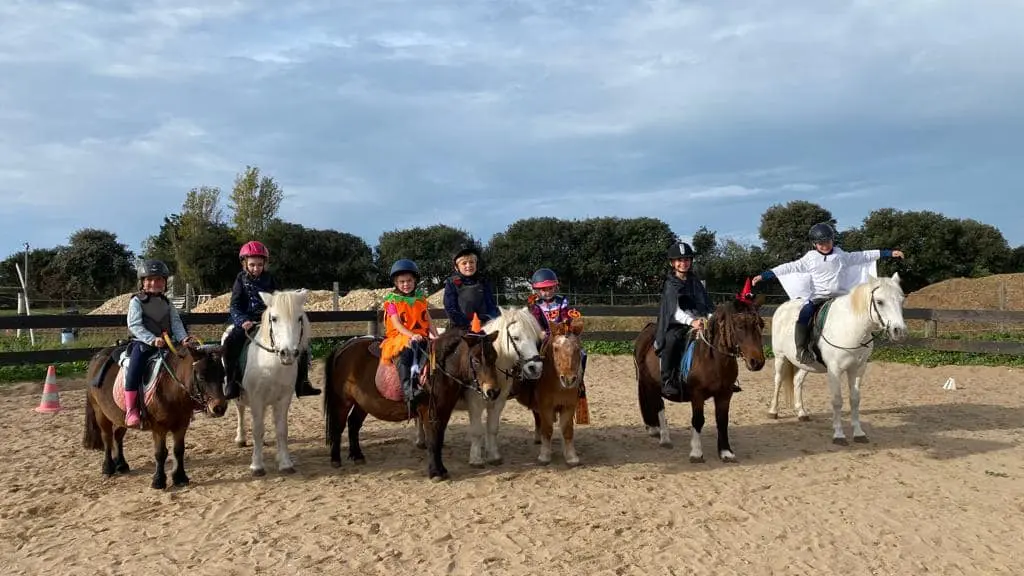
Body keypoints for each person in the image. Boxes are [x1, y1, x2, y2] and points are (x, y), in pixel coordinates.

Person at [752, 222, 905, 365]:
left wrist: (889, 253)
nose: (825, 246)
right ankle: (802, 350)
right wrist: (764, 275)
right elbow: (788, 267)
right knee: (804, 315)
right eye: (821, 243)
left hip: (841, 297)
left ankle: (860, 349)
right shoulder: (810, 259)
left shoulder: (841, 256)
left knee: (862, 313)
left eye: (828, 242)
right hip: (819, 298)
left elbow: (864, 255)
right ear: (815, 244)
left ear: (832, 240)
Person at [221, 240, 321, 400]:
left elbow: (279, 299)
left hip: (270, 320)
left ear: (265, 264)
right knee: (231, 343)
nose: (256, 268)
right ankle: (232, 382)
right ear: (245, 263)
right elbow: (235, 305)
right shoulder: (240, 279)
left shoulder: (270, 278)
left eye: (260, 265)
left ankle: (302, 382)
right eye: (252, 265)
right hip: (247, 321)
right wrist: (242, 320)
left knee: (300, 345)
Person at [124, 259, 196, 428]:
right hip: (143, 343)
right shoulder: (136, 301)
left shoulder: (167, 303)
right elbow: (134, 325)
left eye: (158, 280)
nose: (154, 283)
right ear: (142, 282)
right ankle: (131, 409)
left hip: (168, 343)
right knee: (135, 367)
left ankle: (190, 402)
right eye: (149, 279)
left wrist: (183, 338)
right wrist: (151, 339)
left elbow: (176, 323)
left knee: (187, 363)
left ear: (164, 283)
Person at [653, 241, 717, 402]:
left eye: (686, 259)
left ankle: (723, 378)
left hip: (699, 318)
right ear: (672, 263)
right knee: (671, 340)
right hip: (677, 323)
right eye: (679, 260)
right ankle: (667, 380)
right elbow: (674, 311)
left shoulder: (695, 281)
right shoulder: (670, 284)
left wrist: (711, 318)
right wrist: (692, 322)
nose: (683, 263)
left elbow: (705, 303)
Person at [380, 259, 439, 415]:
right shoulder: (392, 302)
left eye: (409, 281)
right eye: (402, 282)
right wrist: (412, 335)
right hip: (400, 336)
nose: (406, 284)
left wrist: (436, 335)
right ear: (396, 283)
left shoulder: (420, 299)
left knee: (437, 350)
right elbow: (397, 324)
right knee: (407, 352)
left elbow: (428, 319)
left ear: (415, 281)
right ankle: (409, 389)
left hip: (420, 335)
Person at [526, 268, 587, 384]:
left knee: (582, 353)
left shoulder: (561, 300)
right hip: (544, 335)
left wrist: (566, 324)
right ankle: (530, 383)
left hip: (561, 334)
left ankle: (580, 381)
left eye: (550, 288)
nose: (548, 292)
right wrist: (541, 331)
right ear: (537, 290)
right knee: (530, 354)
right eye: (544, 289)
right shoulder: (536, 304)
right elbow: (536, 319)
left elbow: (565, 315)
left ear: (555, 287)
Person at [443, 243, 499, 330]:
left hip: (485, 325)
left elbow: (491, 306)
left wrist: (486, 319)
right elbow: (450, 308)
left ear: (476, 264)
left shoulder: (484, 281)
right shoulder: (452, 283)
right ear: (457, 267)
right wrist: (468, 322)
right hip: (460, 327)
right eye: (464, 263)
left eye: (471, 262)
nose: (468, 265)